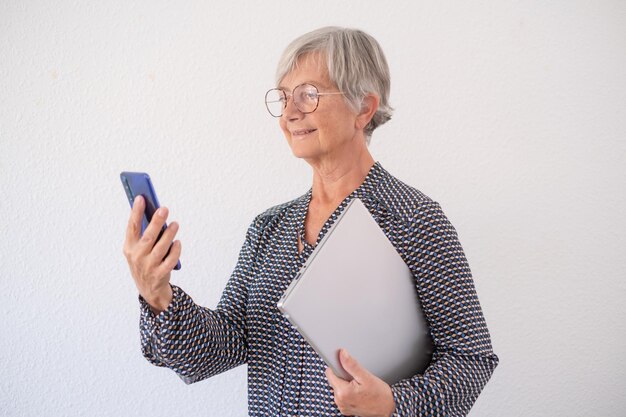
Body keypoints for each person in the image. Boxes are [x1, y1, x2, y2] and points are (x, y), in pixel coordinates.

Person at [123, 26, 499, 417]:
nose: (289, 114)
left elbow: (471, 361)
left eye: (308, 94)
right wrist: (158, 295)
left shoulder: (414, 219)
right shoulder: (269, 227)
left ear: (364, 108)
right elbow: (219, 348)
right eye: (284, 98)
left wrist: (393, 403)